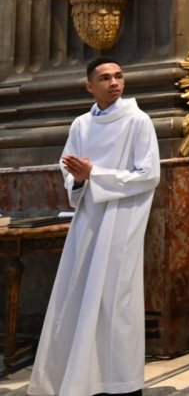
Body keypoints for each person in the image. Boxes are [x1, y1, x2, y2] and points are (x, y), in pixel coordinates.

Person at [28, 57, 160, 396]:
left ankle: (120, 382)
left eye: (119, 76)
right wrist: (79, 179)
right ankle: (79, 377)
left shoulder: (138, 121)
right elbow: (68, 167)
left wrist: (95, 174)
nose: (114, 82)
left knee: (116, 299)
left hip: (122, 219)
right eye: (105, 78)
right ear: (90, 86)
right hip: (88, 219)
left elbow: (149, 175)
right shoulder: (81, 125)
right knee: (78, 292)